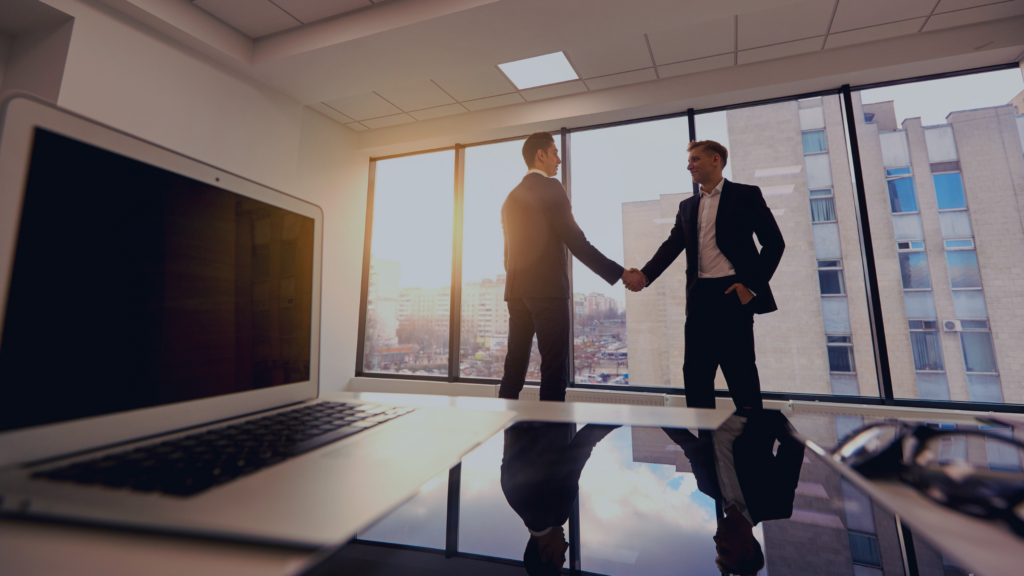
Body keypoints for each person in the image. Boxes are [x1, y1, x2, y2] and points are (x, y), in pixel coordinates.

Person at [623, 140, 784, 409]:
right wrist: (645, 275)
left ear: (716, 160)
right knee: (696, 378)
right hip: (699, 299)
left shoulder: (746, 195)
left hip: (733, 294)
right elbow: (673, 244)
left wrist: (751, 286)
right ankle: (704, 448)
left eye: (695, 160)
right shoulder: (687, 206)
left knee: (741, 376)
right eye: (689, 161)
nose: (689, 166)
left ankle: (754, 446)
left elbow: (774, 243)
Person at [500, 132, 644, 401]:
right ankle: (552, 441)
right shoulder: (551, 188)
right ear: (540, 155)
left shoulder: (510, 198)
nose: (559, 160)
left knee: (514, 367)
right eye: (555, 152)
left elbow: (507, 253)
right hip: (547, 292)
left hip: (516, 293)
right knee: (554, 371)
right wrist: (622, 273)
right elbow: (577, 242)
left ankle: (506, 438)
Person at [663, 410, 804, 575]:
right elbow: (794, 445)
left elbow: (689, 445)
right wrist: (763, 412)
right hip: (744, 402)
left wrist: (657, 416)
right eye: (724, 550)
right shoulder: (776, 504)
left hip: (706, 405)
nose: (716, 541)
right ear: (748, 550)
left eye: (717, 548)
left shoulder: (706, 486)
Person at [500, 422, 619, 575]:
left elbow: (583, 442)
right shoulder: (511, 497)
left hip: (553, 409)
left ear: (546, 553)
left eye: (561, 555)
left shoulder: (557, 512)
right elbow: (509, 426)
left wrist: (623, 416)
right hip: (528, 404)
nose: (567, 546)